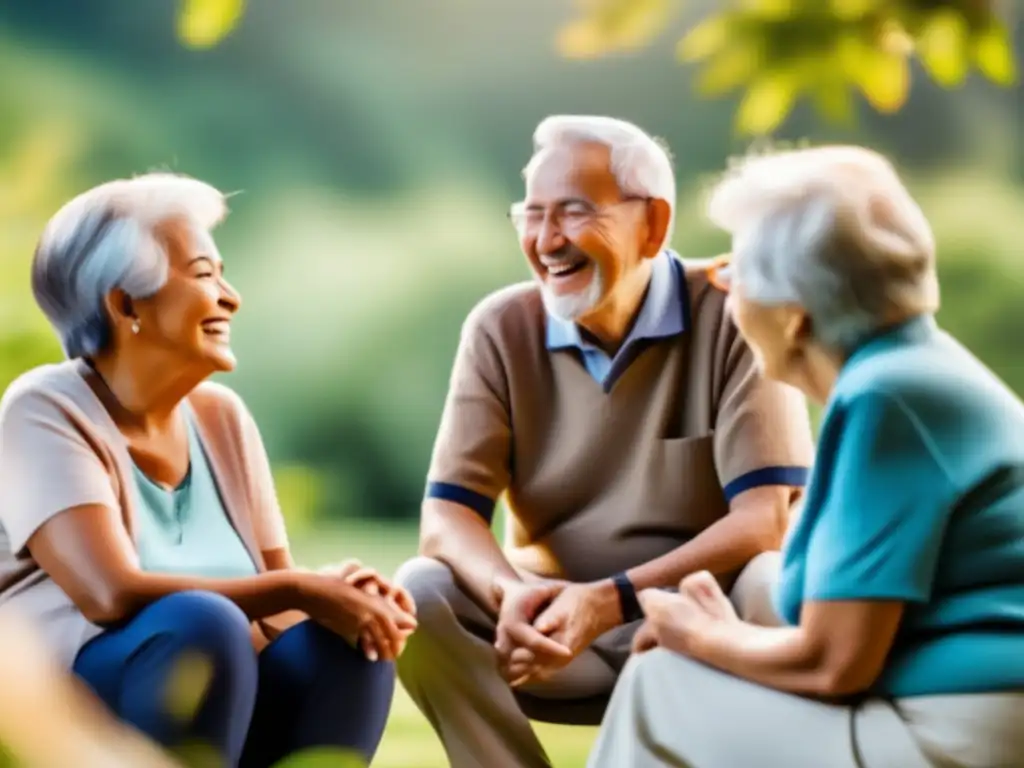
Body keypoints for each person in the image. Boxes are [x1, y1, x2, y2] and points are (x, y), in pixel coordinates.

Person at [394, 115, 815, 768]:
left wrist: (611, 598)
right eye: (531, 215)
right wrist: (511, 595)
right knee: (421, 591)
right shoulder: (501, 328)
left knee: (770, 581)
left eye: (572, 212)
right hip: (553, 637)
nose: (546, 240)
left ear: (654, 224)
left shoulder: (736, 310)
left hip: (703, 625)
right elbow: (447, 517)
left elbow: (765, 523)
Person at [587, 145, 1024, 768]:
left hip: (966, 727)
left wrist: (706, 637)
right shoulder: (910, 371)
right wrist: (725, 628)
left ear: (794, 317)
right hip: (964, 701)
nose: (722, 281)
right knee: (758, 579)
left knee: (662, 684)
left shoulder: (888, 400)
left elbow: (836, 663)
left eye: (737, 269)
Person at [0, 173, 417, 768]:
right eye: (203, 274)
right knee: (202, 620)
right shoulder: (43, 408)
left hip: (208, 685)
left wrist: (339, 598)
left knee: (349, 645)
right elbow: (108, 593)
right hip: (60, 705)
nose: (230, 295)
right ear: (124, 303)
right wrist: (301, 587)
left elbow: (274, 606)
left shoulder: (222, 418)